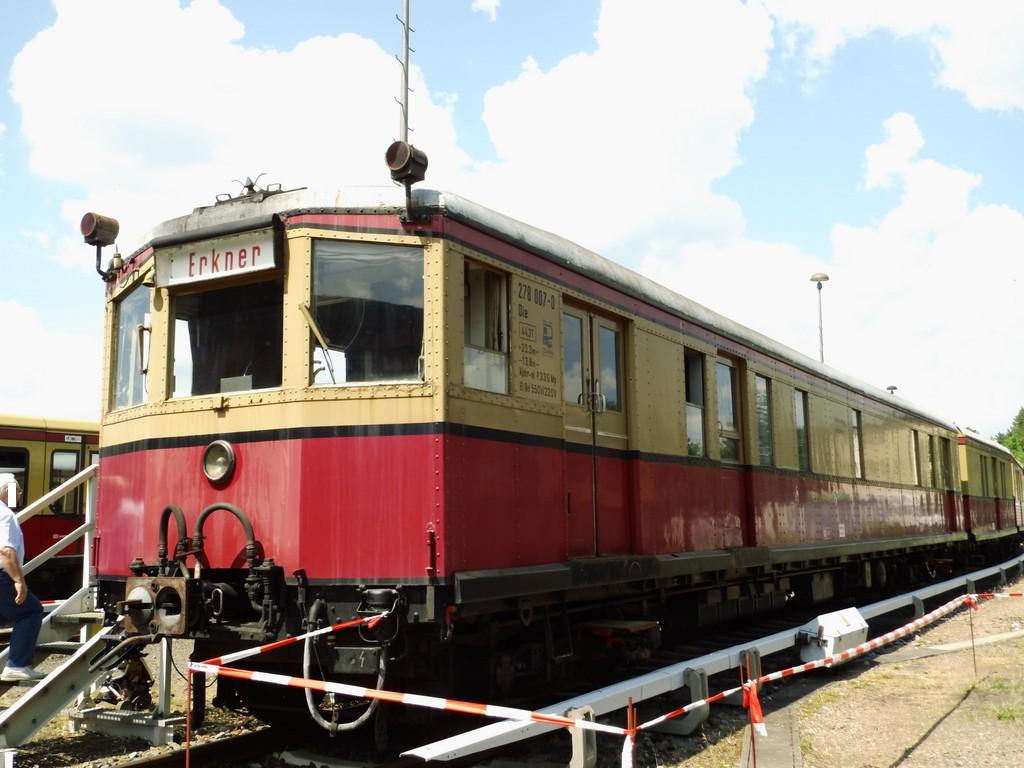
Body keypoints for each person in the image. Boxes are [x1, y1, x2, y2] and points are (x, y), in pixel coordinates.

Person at [0, 473, 44, 681]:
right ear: (7, 491)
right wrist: (19, 581)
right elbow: (6, 551)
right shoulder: (5, 515)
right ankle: (17, 665)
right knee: (30, 611)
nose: (19, 493)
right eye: (17, 489)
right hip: (2, 576)